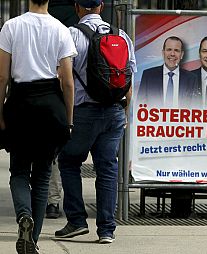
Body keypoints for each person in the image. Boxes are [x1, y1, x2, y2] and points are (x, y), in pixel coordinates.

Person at [55, 0, 136, 244]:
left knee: (69, 162)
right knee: (108, 168)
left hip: (82, 112)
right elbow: (130, 75)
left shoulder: (71, 35)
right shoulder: (120, 35)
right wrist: (124, 111)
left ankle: (77, 221)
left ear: (78, 8)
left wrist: (67, 117)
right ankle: (107, 230)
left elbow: (63, 78)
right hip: (114, 111)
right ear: (101, 7)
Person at [0, 0, 76, 252]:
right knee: (43, 178)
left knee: (19, 172)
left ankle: (24, 216)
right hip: (50, 104)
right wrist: (68, 119)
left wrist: (0, 113)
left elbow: (2, 76)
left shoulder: (11, 27)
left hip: (21, 103)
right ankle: (32, 242)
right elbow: (67, 81)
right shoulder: (60, 29)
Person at [46, 0, 79, 220]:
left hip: (50, 92)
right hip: (79, 94)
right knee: (71, 155)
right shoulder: (74, 22)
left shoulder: (49, 17)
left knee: (53, 154)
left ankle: (52, 201)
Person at [137, 36, 197, 108]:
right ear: (163, 53)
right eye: (169, 49)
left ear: (182, 54)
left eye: (176, 50)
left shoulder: (191, 79)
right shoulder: (148, 76)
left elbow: (195, 107)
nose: (172, 54)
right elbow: (140, 106)